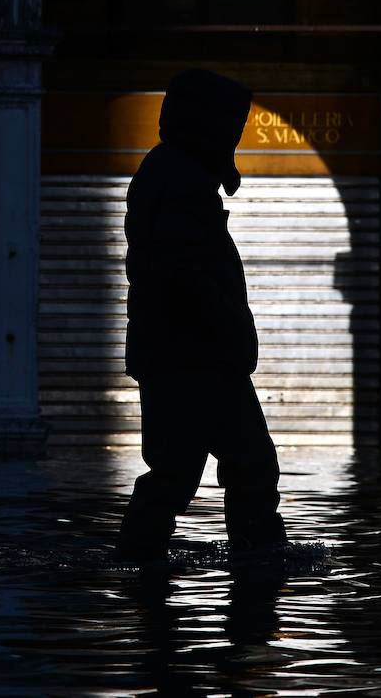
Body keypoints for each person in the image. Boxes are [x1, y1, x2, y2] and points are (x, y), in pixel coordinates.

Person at [116, 68, 288, 564]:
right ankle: (259, 566)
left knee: (176, 469)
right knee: (248, 463)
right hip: (195, 355)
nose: (235, 135)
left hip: (182, 352)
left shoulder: (171, 172)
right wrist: (231, 330)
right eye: (232, 125)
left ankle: (139, 565)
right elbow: (187, 272)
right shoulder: (180, 179)